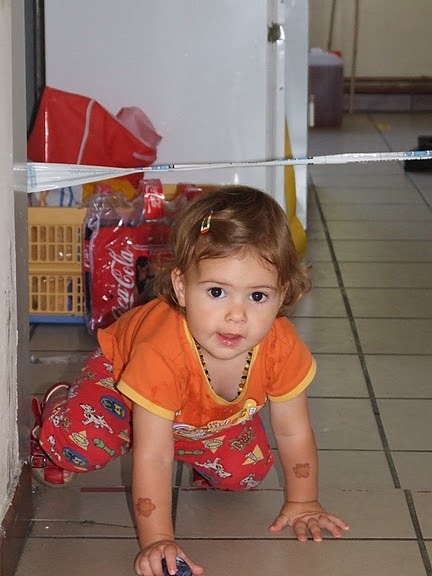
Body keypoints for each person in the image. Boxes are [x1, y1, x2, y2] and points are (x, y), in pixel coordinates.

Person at [31, 185, 349, 576]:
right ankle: (59, 406)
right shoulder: (160, 353)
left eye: (257, 296)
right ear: (181, 288)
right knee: (76, 447)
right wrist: (157, 540)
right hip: (119, 385)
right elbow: (153, 456)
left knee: (246, 473)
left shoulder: (281, 346)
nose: (236, 315)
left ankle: (192, 438)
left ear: (282, 294)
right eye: (217, 292)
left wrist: (303, 502)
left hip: (193, 416)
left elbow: (293, 431)